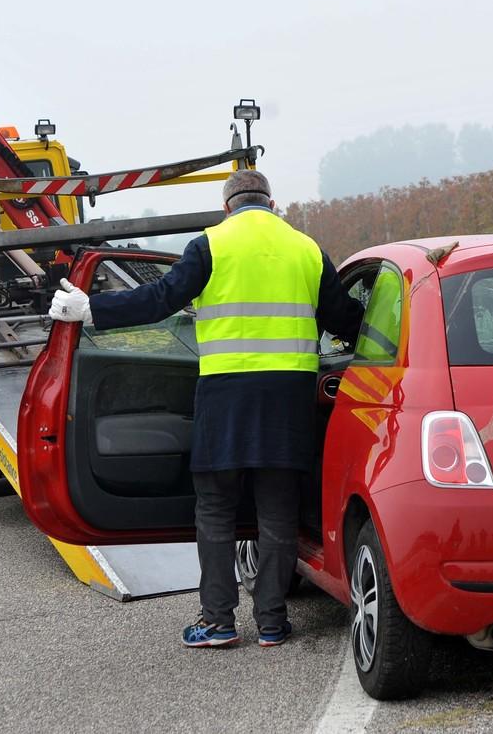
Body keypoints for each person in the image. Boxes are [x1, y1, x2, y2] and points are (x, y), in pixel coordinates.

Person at [50, 169, 363, 648]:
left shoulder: (211, 245)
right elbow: (345, 318)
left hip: (225, 395)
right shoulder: (307, 249)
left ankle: (218, 622)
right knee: (277, 511)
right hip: (288, 397)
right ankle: (273, 623)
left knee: (215, 509)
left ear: (227, 207)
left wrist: (92, 310)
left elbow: (159, 299)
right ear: (272, 203)